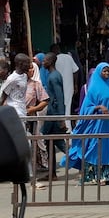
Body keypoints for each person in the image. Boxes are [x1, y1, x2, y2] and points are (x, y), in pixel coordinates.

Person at [64, 62, 109, 185]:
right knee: (96, 149)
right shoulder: (93, 89)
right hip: (97, 125)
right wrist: (98, 107)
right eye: (104, 71)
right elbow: (85, 108)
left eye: (108, 71)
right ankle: (95, 176)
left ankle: (106, 176)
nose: (107, 73)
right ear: (99, 72)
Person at [40, 52, 67, 182]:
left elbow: (60, 98)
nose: (43, 62)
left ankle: (83, 162)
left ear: (50, 61)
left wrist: (61, 119)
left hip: (55, 115)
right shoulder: (51, 75)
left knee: (60, 143)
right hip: (51, 114)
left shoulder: (54, 77)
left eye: (45, 60)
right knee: (49, 142)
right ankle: (52, 173)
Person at [25, 62, 50, 172]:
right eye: (29, 68)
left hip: (30, 120)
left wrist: (33, 109)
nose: (32, 71)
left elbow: (45, 101)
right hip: (14, 119)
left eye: (33, 68)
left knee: (31, 143)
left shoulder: (36, 85)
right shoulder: (12, 83)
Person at [50, 44, 79, 131]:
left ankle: (63, 130)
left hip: (58, 87)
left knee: (59, 109)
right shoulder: (68, 57)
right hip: (69, 86)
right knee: (67, 108)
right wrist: (75, 84)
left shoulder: (53, 60)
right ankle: (68, 130)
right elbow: (76, 70)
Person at [0, 53, 30, 118]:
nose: (29, 65)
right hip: (14, 113)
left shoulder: (25, 76)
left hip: (22, 111)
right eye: (27, 63)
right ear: (20, 64)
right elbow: (3, 96)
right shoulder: (12, 79)